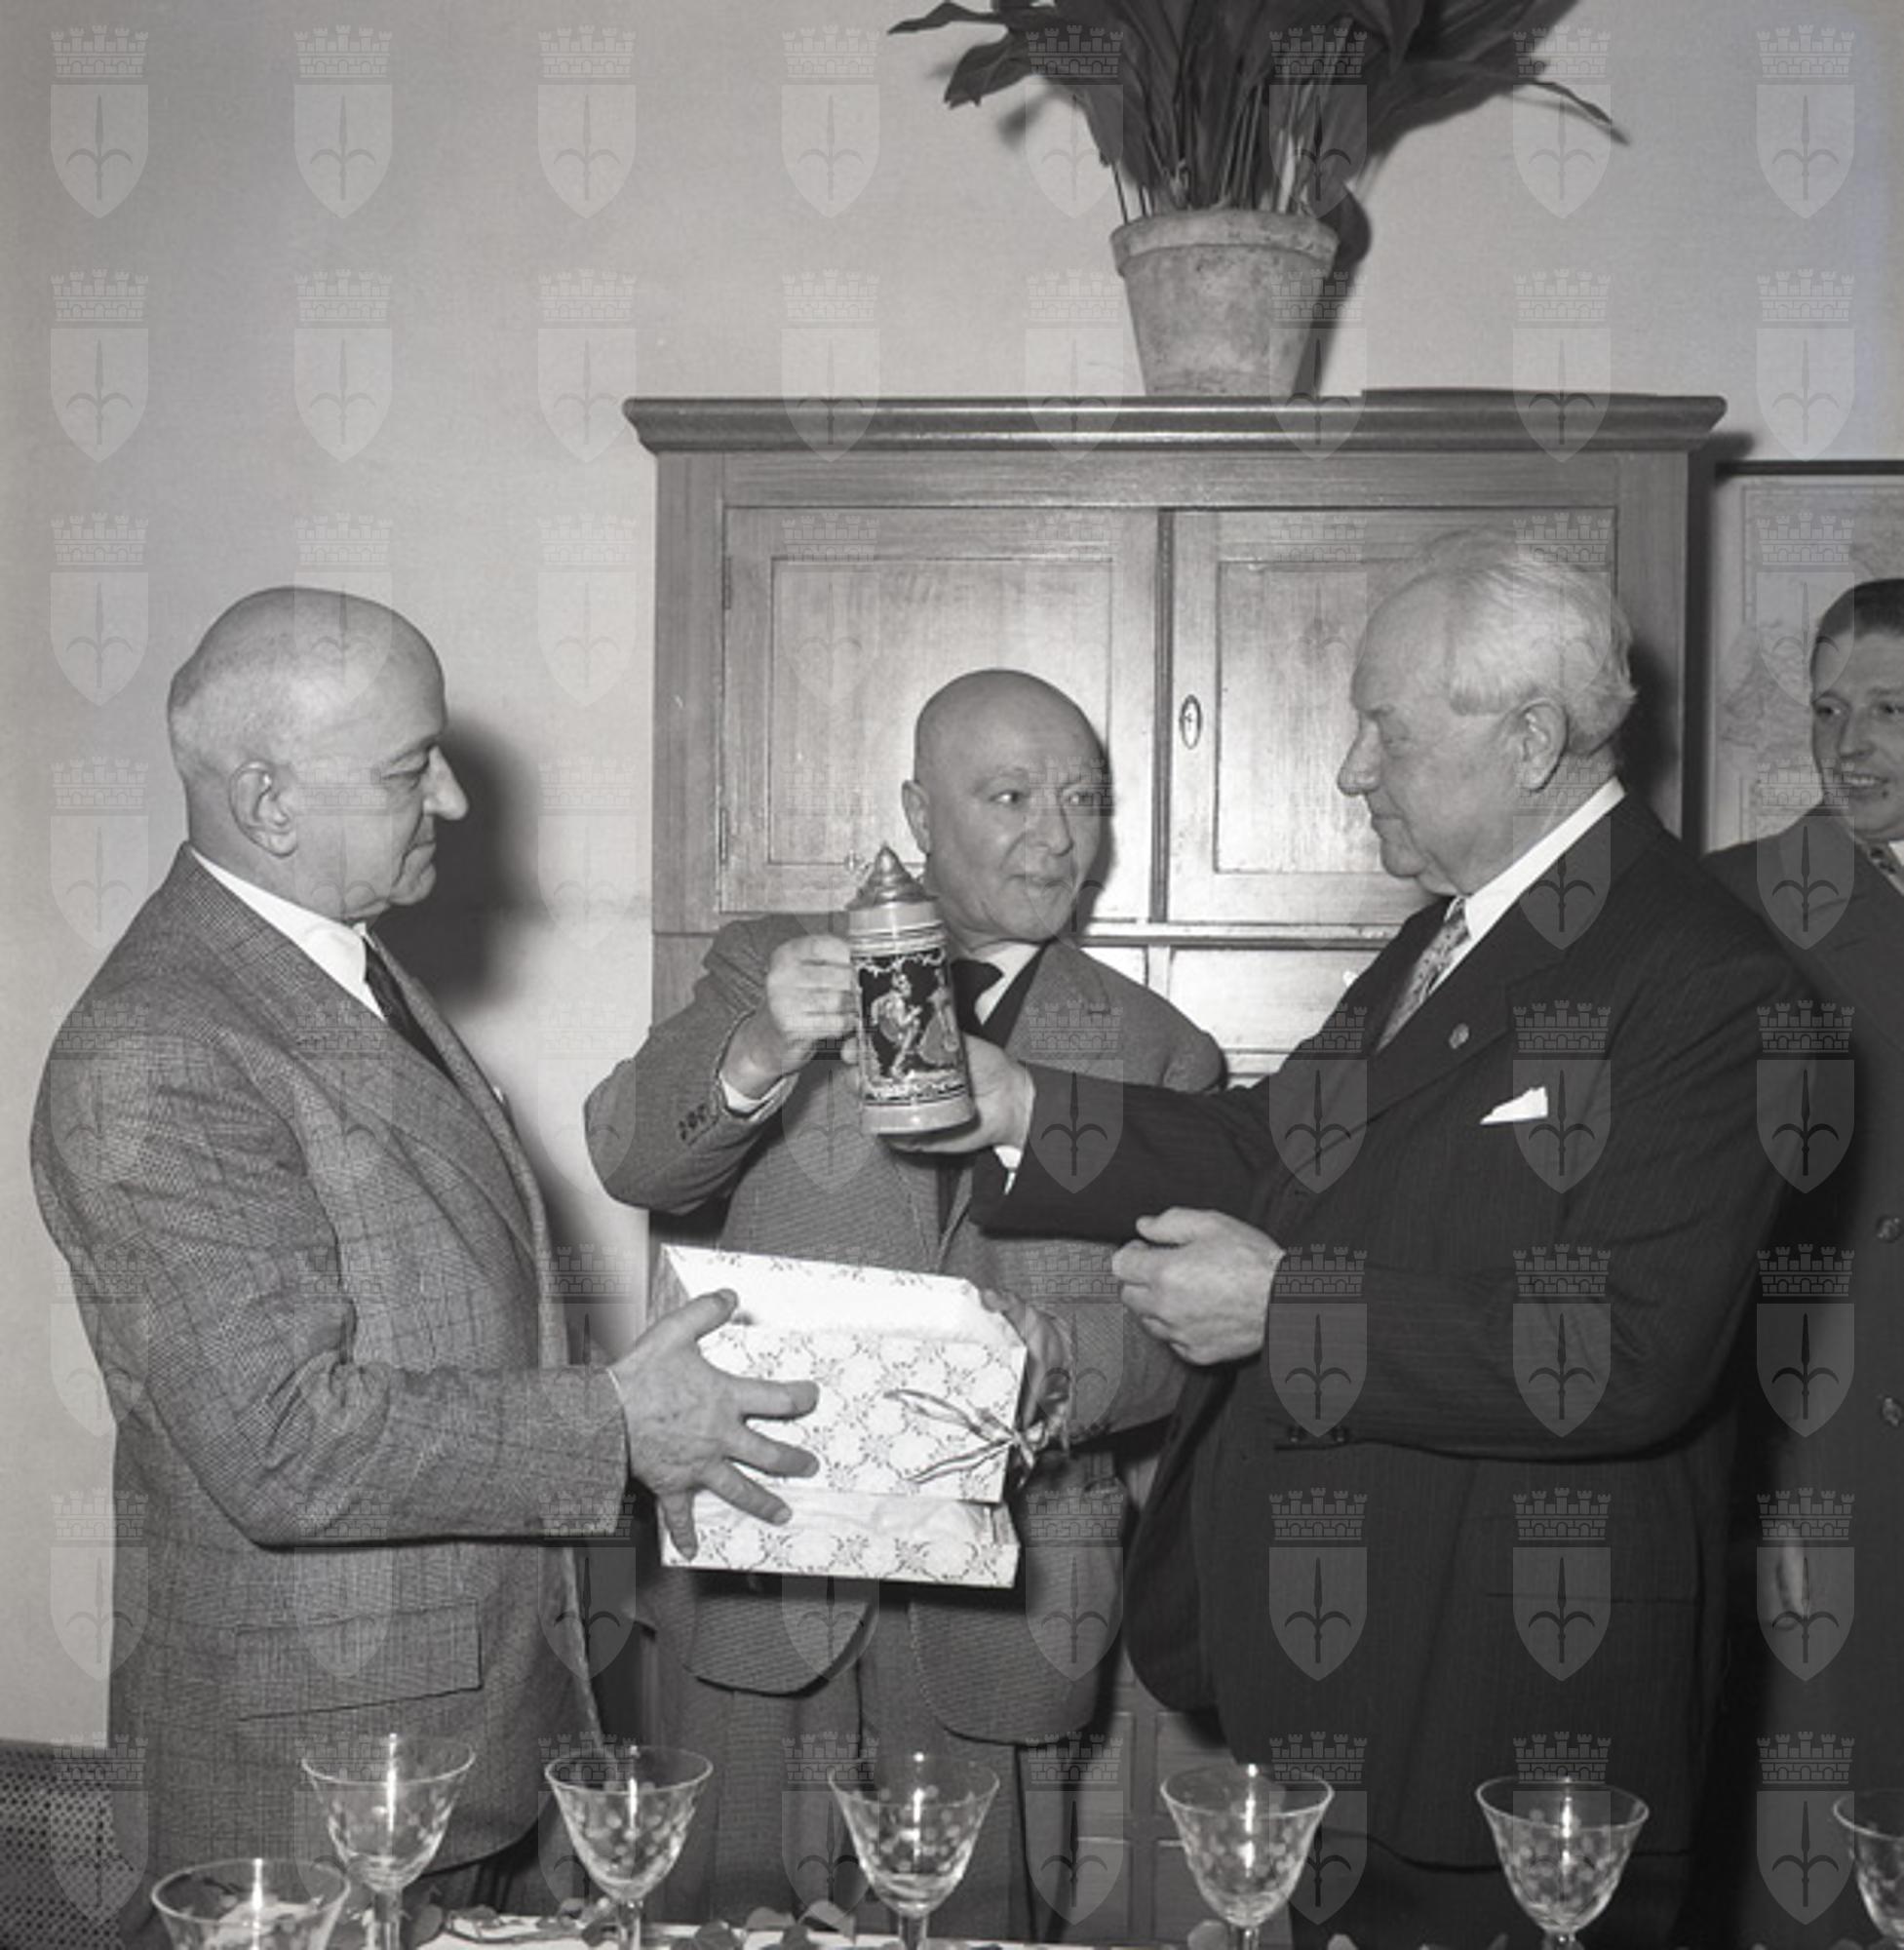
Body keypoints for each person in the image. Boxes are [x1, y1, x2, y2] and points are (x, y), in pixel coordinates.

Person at [919, 535, 1803, 1949]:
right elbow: (1274, 1146)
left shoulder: (1709, 978)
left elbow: (1626, 1352)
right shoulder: (1451, 938)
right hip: (1353, 1697)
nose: (1349, 769)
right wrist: (1022, 1102)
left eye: (1383, 728)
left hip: (1516, 1731)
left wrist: (1288, 1312)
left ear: (1529, 741)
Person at [30, 590, 818, 1946]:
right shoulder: (156, 1044)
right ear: (268, 803)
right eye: (410, 770)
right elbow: (284, 1442)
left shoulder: (337, 968)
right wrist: (617, 1425)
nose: (451, 796)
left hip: (462, 1740)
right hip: (315, 1787)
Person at [585, 669, 1223, 1937]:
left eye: (1082, 798)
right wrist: (760, 1049)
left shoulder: (1162, 1050)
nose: (1058, 835)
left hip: (1016, 1601)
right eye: (1011, 796)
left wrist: (1067, 1364)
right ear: (918, 812)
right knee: (722, 1922)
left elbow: (1190, 1337)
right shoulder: (770, 963)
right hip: (760, 1575)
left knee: (977, 1927)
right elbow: (633, 1159)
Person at [1701, 579, 1904, 1946]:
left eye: (1890, 708)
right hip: (1824, 1441)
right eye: (1829, 709)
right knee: (1813, 1833)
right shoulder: (1732, 906)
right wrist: (1754, 1484)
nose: (1850, 744)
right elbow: (1690, 1246)